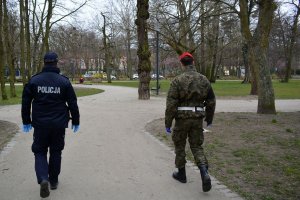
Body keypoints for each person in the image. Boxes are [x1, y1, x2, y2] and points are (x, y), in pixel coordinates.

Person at [21, 52, 80, 198]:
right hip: (59, 124)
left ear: (44, 63)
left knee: (39, 151)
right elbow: (72, 103)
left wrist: (26, 121)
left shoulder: (34, 81)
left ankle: (43, 178)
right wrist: (76, 121)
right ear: (56, 63)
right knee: (56, 151)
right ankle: (53, 181)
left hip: (40, 124)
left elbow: (26, 102)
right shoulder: (64, 81)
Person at [165, 52, 216, 192]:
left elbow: (171, 105)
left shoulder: (177, 80)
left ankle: (181, 174)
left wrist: (168, 123)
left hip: (181, 119)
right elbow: (211, 101)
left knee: (180, 146)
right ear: (193, 62)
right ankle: (204, 172)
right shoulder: (204, 80)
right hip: (197, 119)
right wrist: (209, 119)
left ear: (182, 63)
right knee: (197, 146)